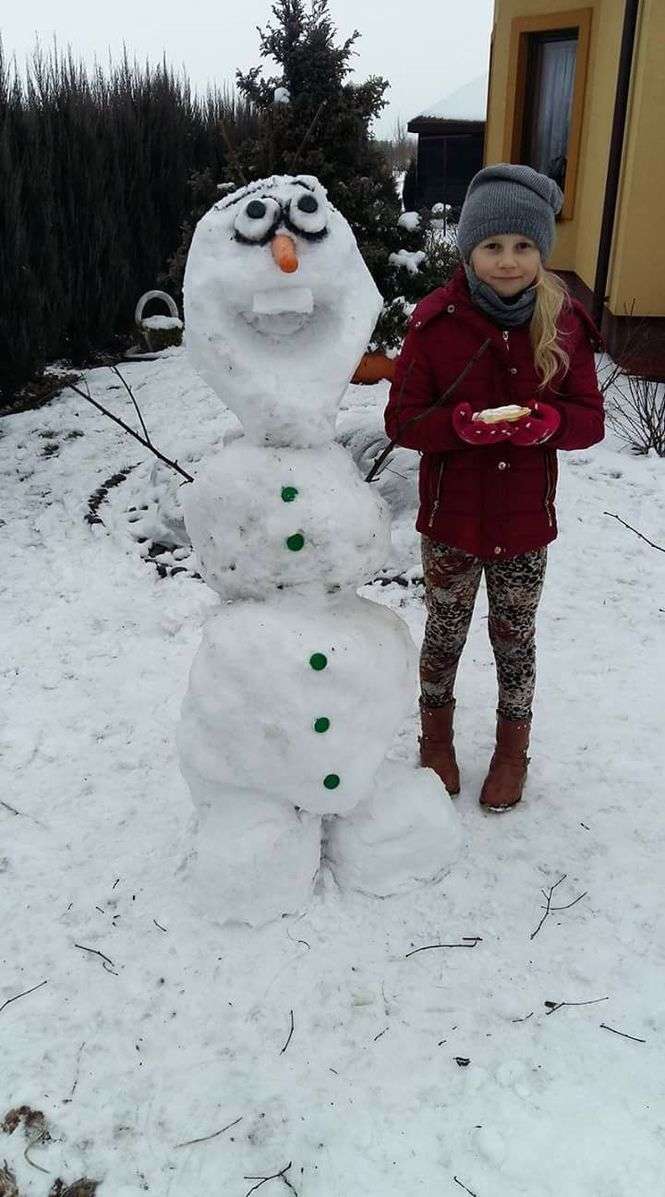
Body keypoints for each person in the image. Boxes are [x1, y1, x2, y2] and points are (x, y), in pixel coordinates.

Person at [384, 163, 604, 812]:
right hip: (449, 523)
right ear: (468, 250)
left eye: (523, 247)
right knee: (444, 634)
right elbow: (401, 420)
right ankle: (436, 740)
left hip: (523, 526)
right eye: (492, 247)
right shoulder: (435, 324)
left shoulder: (562, 324)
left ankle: (512, 751)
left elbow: (589, 418)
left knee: (514, 638)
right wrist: (457, 426)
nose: (507, 262)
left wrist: (550, 423)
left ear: (540, 251)